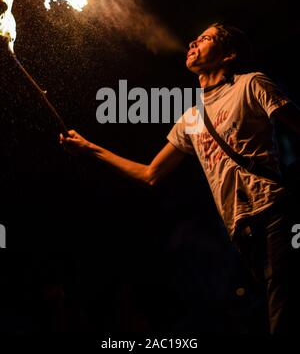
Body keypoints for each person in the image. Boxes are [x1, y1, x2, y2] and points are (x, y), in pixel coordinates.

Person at [60, 22, 300, 334]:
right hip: (242, 231)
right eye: (196, 37)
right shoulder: (190, 119)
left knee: (281, 312)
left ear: (229, 55)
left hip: (274, 212)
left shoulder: (250, 84)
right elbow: (150, 174)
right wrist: (88, 148)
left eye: (206, 38)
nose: (193, 42)